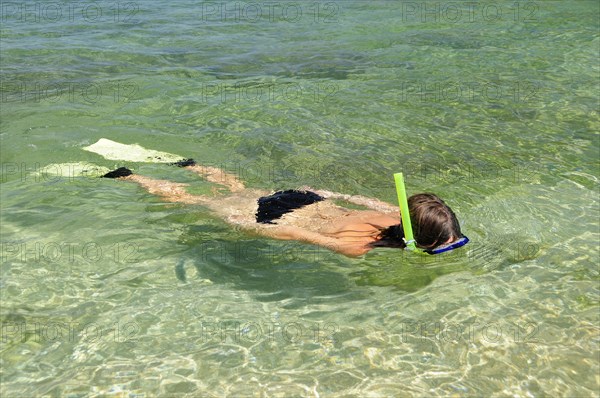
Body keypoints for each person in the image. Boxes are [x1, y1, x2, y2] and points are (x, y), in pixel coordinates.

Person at [102, 160, 467, 257]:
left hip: (309, 198)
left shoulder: (394, 211)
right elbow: (297, 234)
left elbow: (360, 200)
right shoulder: (358, 247)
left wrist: (323, 192)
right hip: (281, 216)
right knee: (197, 201)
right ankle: (130, 177)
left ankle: (191, 166)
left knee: (238, 188)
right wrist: (248, 227)